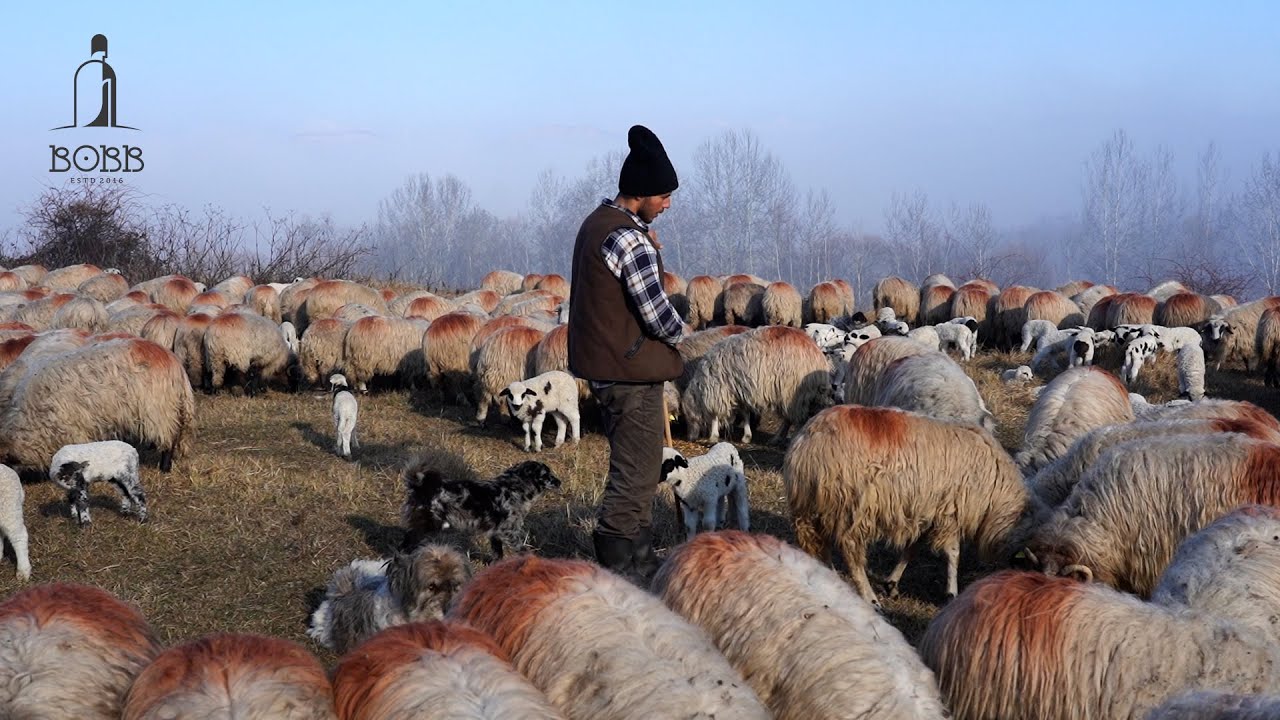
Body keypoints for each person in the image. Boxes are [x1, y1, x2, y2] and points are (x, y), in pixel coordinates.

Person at [567, 124, 685, 579]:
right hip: (629, 369)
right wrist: (683, 330)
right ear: (641, 193)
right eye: (663, 195)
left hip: (606, 365)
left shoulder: (599, 223)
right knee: (635, 473)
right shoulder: (629, 239)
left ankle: (640, 551)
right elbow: (657, 315)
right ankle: (619, 559)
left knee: (638, 463)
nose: (668, 203)